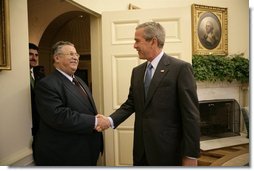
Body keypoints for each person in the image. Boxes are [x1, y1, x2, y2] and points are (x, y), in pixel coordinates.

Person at [97, 22, 200, 166]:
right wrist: (109, 120)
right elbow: (130, 104)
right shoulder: (137, 72)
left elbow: (191, 115)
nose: (134, 46)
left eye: (137, 41)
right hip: (141, 150)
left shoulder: (180, 69)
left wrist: (191, 154)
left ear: (153, 41)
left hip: (168, 152)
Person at [33, 41, 108, 166]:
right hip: (65, 155)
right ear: (57, 58)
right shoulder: (47, 84)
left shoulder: (79, 80)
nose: (75, 57)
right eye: (71, 54)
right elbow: (58, 116)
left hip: (86, 150)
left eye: (76, 54)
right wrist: (95, 121)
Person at [29, 43, 45, 158]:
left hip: (39, 120)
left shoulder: (40, 74)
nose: (34, 57)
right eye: (30, 54)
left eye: (36, 55)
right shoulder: (18, 75)